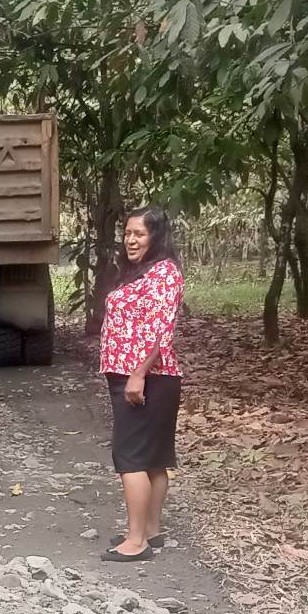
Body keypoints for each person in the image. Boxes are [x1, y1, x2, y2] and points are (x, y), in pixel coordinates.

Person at [100, 206, 183, 562]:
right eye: (127, 233)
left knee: (130, 457)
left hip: (146, 377)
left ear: (156, 236)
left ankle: (136, 543)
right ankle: (150, 530)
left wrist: (138, 374)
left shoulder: (164, 273)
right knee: (153, 459)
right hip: (142, 375)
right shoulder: (142, 272)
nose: (131, 240)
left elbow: (161, 330)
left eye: (140, 234)